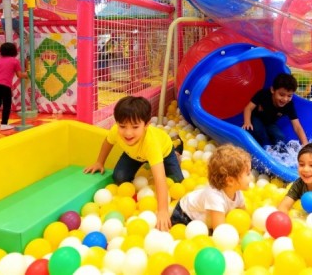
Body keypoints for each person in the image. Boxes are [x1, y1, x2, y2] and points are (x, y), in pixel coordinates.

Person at [84, 96, 184, 231]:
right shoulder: (116, 131)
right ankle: (148, 162)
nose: (128, 133)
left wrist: (162, 210)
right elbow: (107, 142)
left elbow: (160, 178)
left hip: (164, 153)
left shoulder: (151, 144)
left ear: (146, 125)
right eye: (122, 126)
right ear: (117, 123)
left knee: (177, 181)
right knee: (119, 177)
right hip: (133, 154)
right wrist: (99, 162)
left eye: (135, 127)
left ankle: (176, 153)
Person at [171, 144, 251, 229]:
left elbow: (245, 216)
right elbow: (218, 230)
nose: (251, 177)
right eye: (248, 174)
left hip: (203, 217)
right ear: (230, 181)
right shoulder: (215, 197)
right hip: (185, 215)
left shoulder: (237, 191)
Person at [242, 73, 308, 147]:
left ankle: (277, 150)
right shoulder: (263, 95)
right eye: (281, 95)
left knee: (280, 137)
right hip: (256, 118)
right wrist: (247, 122)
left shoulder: (289, 105)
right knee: (260, 132)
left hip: (270, 123)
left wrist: (305, 144)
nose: (285, 99)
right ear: (272, 90)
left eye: (289, 96)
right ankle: (265, 147)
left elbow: (297, 126)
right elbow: (248, 108)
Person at [0, 42, 27, 131]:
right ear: (14, 51)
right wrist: (26, 74)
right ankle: (4, 124)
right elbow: (19, 75)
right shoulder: (14, 61)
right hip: (4, 85)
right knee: (7, 104)